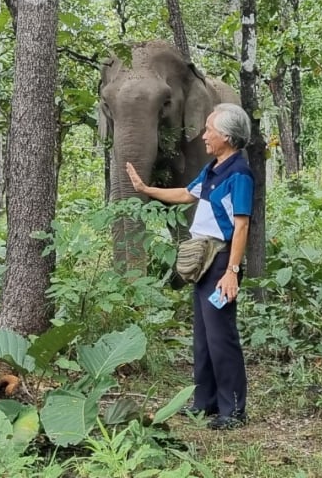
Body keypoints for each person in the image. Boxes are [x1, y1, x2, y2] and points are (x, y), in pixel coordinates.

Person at [126, 102, 253, 430]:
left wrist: (232, 273)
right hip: (203, 261)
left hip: (222, 261)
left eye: (209, 130)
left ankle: (233, 410)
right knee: (203, 335)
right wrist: (145, 189)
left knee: (221, 335)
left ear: (226, 136)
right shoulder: (213, 169)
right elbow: (186, 193)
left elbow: (241, 226)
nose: (203, 135)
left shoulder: (239, 173)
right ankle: (205, 402)